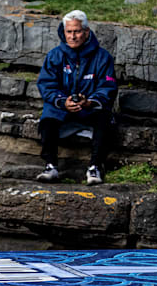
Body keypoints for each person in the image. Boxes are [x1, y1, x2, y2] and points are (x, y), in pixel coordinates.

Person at [35, 10, 118, 186]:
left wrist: (89, 101)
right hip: (63, 108)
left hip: (89, 108)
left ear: (86, 32)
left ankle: (95, 167)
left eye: (77, 31)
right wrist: (62, 101)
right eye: (69, 32)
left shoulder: (103, 57)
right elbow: (46, 84)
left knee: (104, 118)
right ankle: (50, 166)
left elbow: (108, 86)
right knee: (48, 118)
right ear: (64, 32)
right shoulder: (55, 55)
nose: (73, 36)